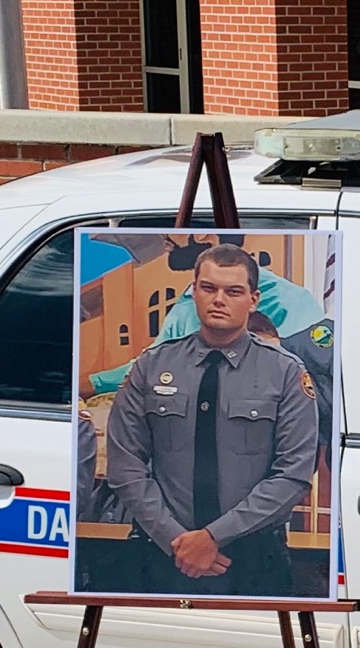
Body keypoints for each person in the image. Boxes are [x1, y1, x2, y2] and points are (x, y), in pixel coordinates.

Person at [104, 241, 321, 597]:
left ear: (253, 300)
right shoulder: (152, 366)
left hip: (254, 560)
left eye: (233, 291)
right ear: (194, 292)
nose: (219, 299)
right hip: (160, 555)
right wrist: (177, 540)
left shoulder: (285, 373)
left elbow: (294, 474)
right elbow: (125, 464)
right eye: (209, 288)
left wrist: (212, 538)